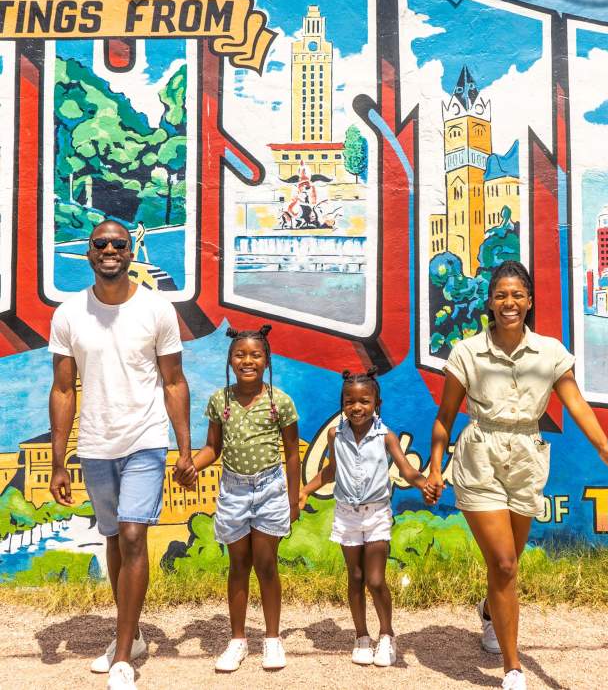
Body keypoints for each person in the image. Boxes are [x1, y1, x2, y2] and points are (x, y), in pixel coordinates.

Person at [424, 260, 608, 690]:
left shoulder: (550, 352)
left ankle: (487, 611)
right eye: (501, 295)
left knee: (509, 565)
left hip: (526, 460)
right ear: (490, 303)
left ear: (530, 301)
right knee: (502, 562)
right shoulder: (467, 352)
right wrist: (436, 464)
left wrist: (604, 446)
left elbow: (575, 403)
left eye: (517, 295)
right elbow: (444, 417)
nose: (509, 303)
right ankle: (513, 669)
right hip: (480, 457)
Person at [48, 219, 194, 690]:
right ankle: (130, 638)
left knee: (133, 535)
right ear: (89, 253)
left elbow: (174, 382)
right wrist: (57, 461)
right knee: (113, 537)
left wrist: (185, 448)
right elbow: (62, 389)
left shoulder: (156, 310)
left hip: (146, 439)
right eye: (101, 243)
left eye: (119, 244)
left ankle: (122, 657)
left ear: (131, 253)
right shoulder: (69, 314)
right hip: (95, 444)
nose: (109, 249)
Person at [175, 325, 300, 673]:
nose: (247, 360)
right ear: (230, 360)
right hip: (234, 491)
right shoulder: (221, 401)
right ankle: (238, 640)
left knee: (266, 564)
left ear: (267, 359)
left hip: (271, 489)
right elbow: (212, 449)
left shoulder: (280, 402)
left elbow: (292, 453)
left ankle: (272, 639)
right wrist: (191, 466)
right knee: (238, 566)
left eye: (255, 354)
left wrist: (293, 499)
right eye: (240, 354)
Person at [299, 367, 430, 668]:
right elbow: (331, 471)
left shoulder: (386, 437)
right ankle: (361, 636)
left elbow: (406, 470)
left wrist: (424, 483)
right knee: (355, 577)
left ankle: (386, 634)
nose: (356, 407)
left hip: (376, 514)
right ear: (342, 405)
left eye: (364, 401)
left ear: (377, 405)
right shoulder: (336, 435)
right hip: (346, 514)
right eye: (349, 401)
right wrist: (305, 490)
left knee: (374, 579)